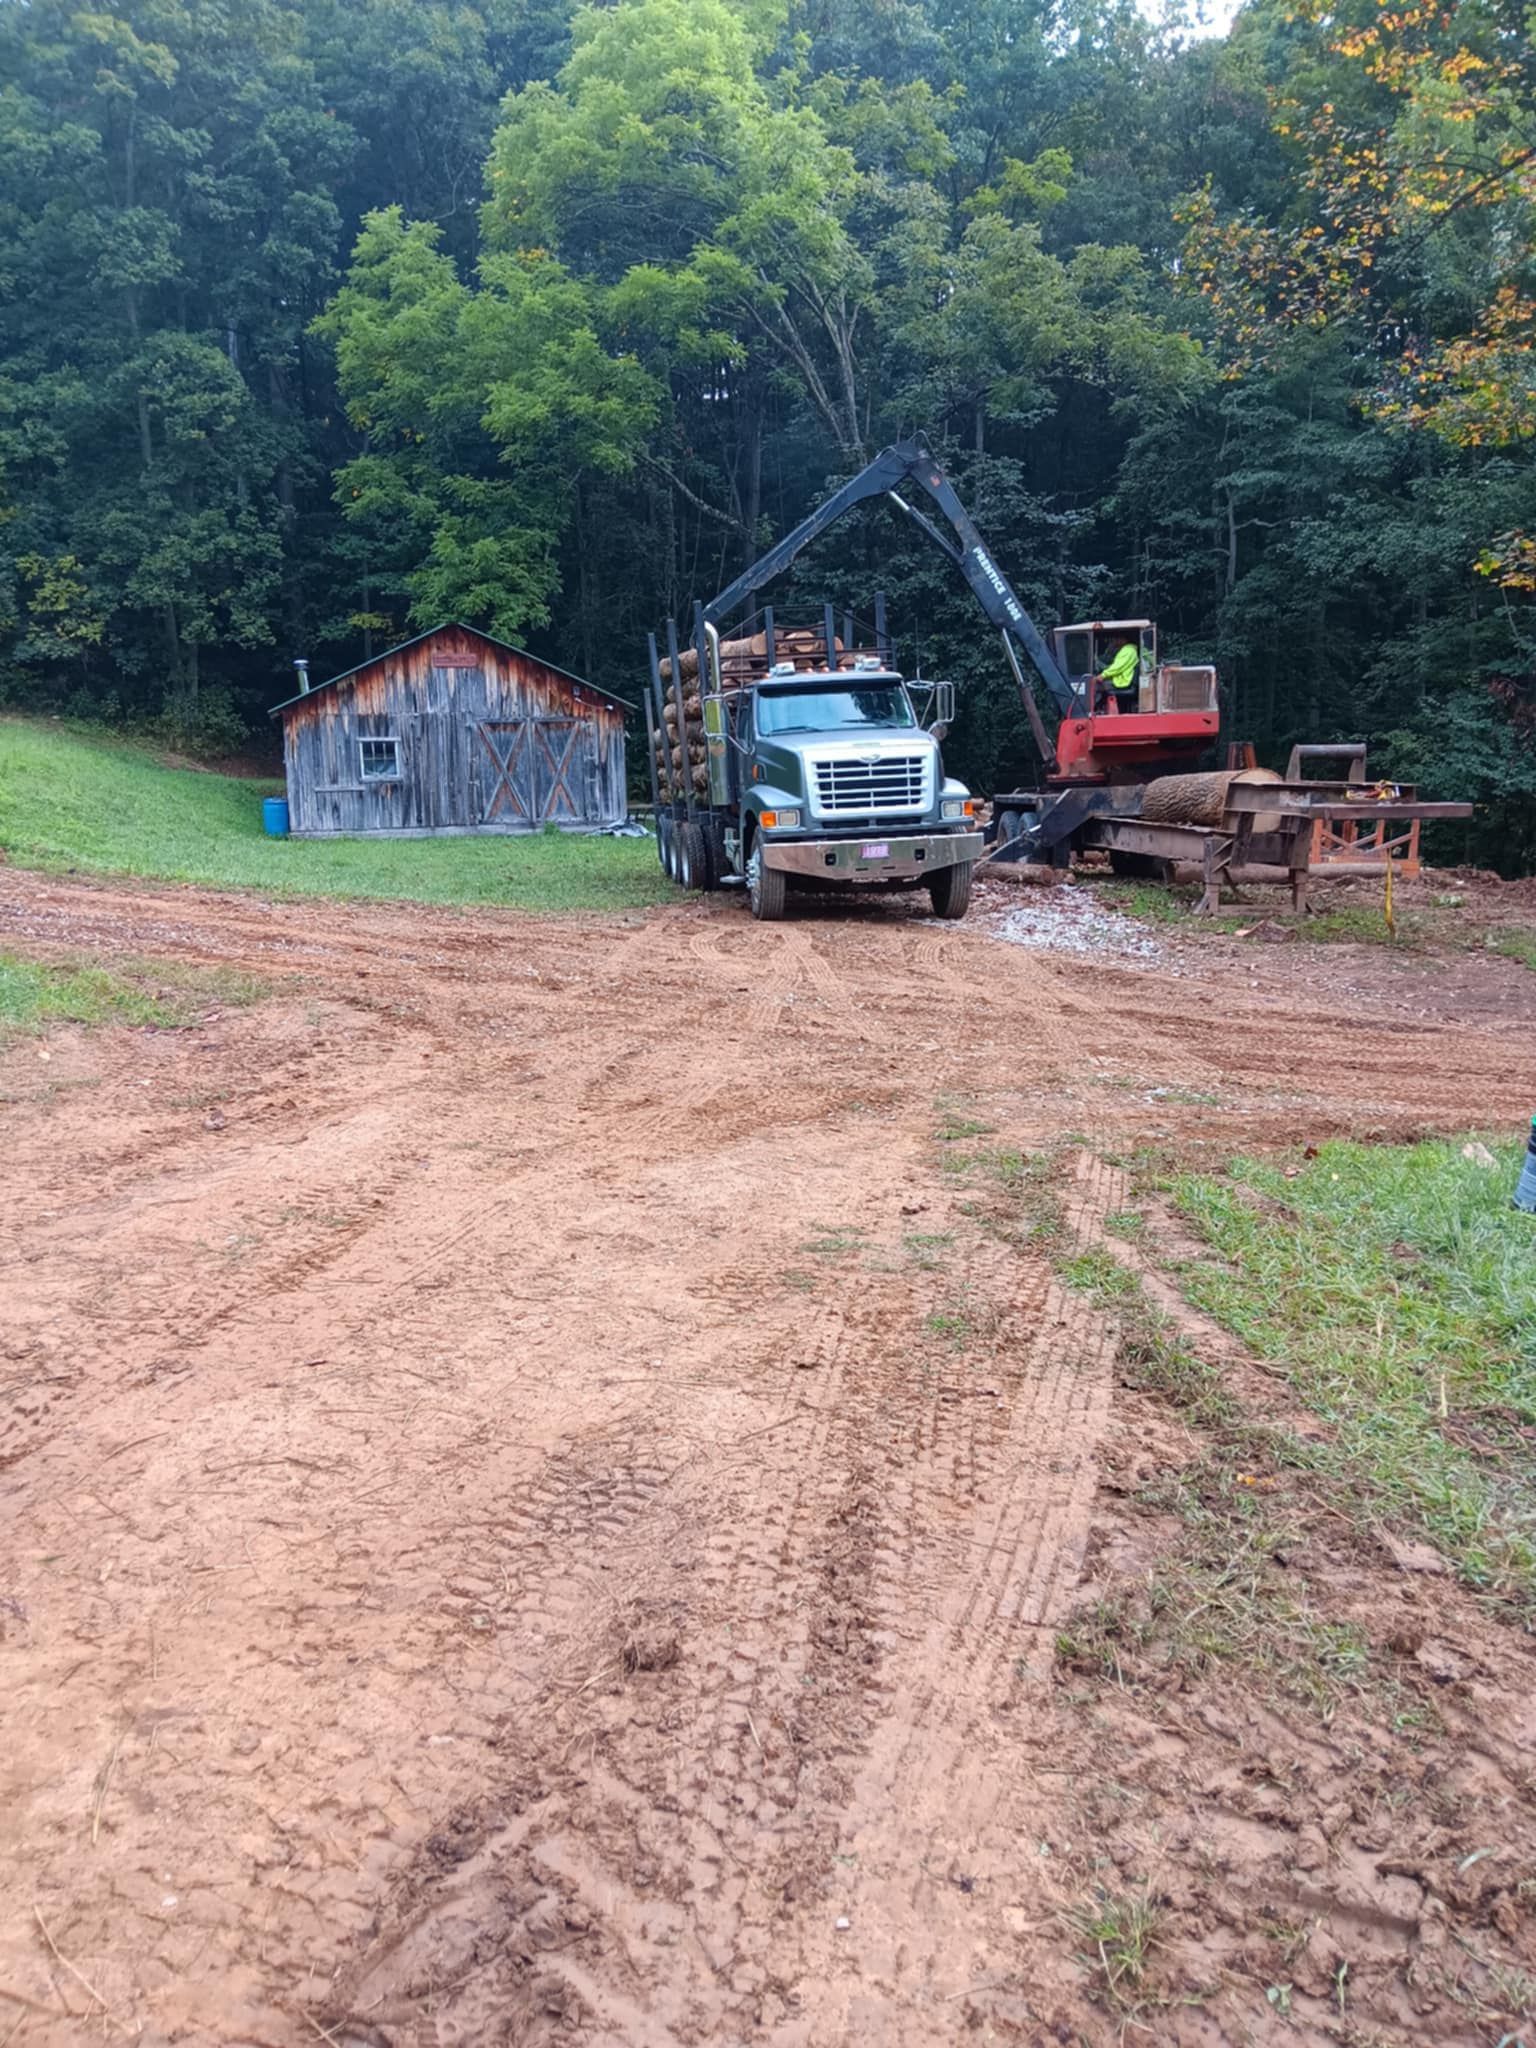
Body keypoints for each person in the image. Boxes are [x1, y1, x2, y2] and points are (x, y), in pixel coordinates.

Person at [1098, 635, 1141, 713]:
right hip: (1120, 679)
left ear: (1123, 639)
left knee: (1096, 686)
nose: (1114, 641)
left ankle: (1096, 711)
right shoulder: (1125, 650)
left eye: (1116, 638)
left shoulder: (1128, 650)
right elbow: (1111, 662)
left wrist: (1103, 675)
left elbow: (1118, 667)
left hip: (1123, 681)